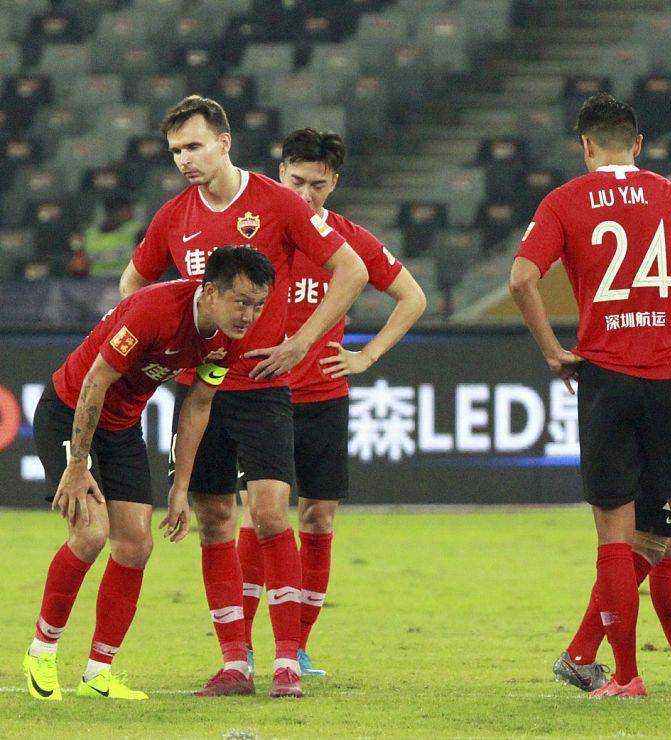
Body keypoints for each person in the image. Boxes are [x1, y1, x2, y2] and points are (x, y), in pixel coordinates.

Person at [510, 93, 671, 698]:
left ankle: (626, 675)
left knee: (616, 538)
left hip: (604, 378)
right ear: (640, 145)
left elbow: (521, 279)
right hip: (669, 374)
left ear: (586, 146)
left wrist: (552, 351)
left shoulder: (564, 201)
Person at [118, 95, 368, 699]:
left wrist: (301, 342)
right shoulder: (173, 217)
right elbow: (133, 284)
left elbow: (352, 270)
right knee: (214, 520)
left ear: (224, 142)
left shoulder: (277, 203)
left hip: (263, 389)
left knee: (272, 514)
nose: (185, 159)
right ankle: (234, 662)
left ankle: (287, 661)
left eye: (194, 146)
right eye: (176, 150)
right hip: (200, 391)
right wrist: (162, 345)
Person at [22, 245, 273, 701]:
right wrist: (77, 465)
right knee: (91, 533)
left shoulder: (228, 339)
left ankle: (98, 674)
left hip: (121, 428)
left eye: (258, 305)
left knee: (137, 545)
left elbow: (197, 405)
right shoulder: (155, 310)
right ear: (210, 291)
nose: (248, 316)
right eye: (241, 302)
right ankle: (42, 650)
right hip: (69, 411)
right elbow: (95, 380)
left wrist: (181, 486)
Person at [236, 128, 427, 678]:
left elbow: (412, 297)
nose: (304, 195)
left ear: (334, 183)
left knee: (317, 518)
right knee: (259, 515)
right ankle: (240, 647)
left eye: (317, 185)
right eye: (295, 181)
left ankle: (297, 646)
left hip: (323, 397)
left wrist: (368, 356)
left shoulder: (348, 241)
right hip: (260, 397)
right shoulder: (255, 233)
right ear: (279, 173)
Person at [552, 173, 671, 694]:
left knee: (659, 543)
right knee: (656, 540)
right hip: (655, 406)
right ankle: (598, 656)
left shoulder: (668, 270)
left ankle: (660, 661)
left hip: (616, 399)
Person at [81, 195, 143, 278]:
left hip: (125, 281)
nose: (132, 213)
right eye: (128, 210)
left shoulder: (136, 231)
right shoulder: (89, 234)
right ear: (120, 211)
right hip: (96, 282)